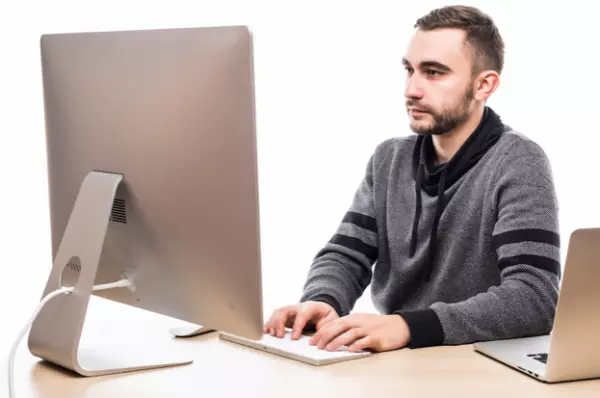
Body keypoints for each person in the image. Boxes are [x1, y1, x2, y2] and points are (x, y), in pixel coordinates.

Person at [264, 5, 561, 352]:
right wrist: (323, 300)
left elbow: (535, 297)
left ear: (484, 85)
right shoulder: (389, 159)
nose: (412, 89)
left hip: (477, 360)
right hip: (402, 359)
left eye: (434, 73)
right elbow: (347, 255)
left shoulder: (518, 161)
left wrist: (408, 326)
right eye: (410, 70)